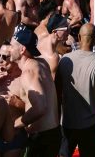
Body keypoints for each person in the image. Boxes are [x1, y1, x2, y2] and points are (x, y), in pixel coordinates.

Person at [55, 23, 95, 157]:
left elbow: (57, 95)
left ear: (79, 38)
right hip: (90, 125)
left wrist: (57, 121)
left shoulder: (64, 60)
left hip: (68, 122)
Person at [7, 26, 62, 156]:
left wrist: (15, 124)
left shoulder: (29, 73)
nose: (9, 49)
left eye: (12, 46)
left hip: (43, 138)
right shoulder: (41, 63)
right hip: (51, 134)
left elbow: (40, 108)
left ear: (22, 49)